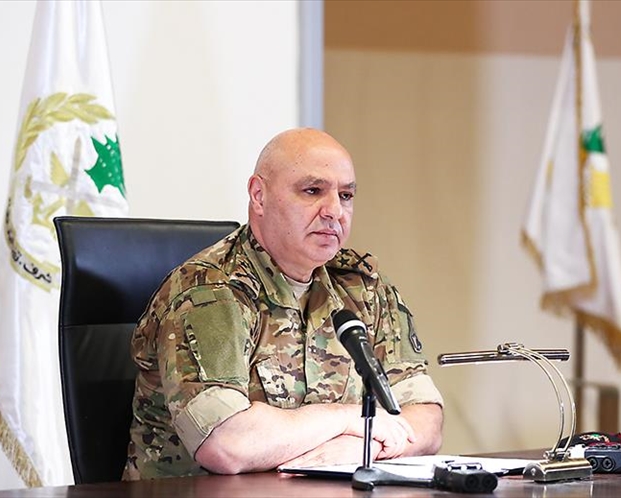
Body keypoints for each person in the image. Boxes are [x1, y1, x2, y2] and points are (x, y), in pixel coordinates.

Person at [123, 128, 444, 480]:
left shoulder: (363, 289)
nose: (335, 211)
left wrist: (360, 448)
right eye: (313, 191)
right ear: (258, 196)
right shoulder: (211, 291)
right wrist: (350, 419)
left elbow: (426, 418)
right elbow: (226, 443)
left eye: (346, 195)